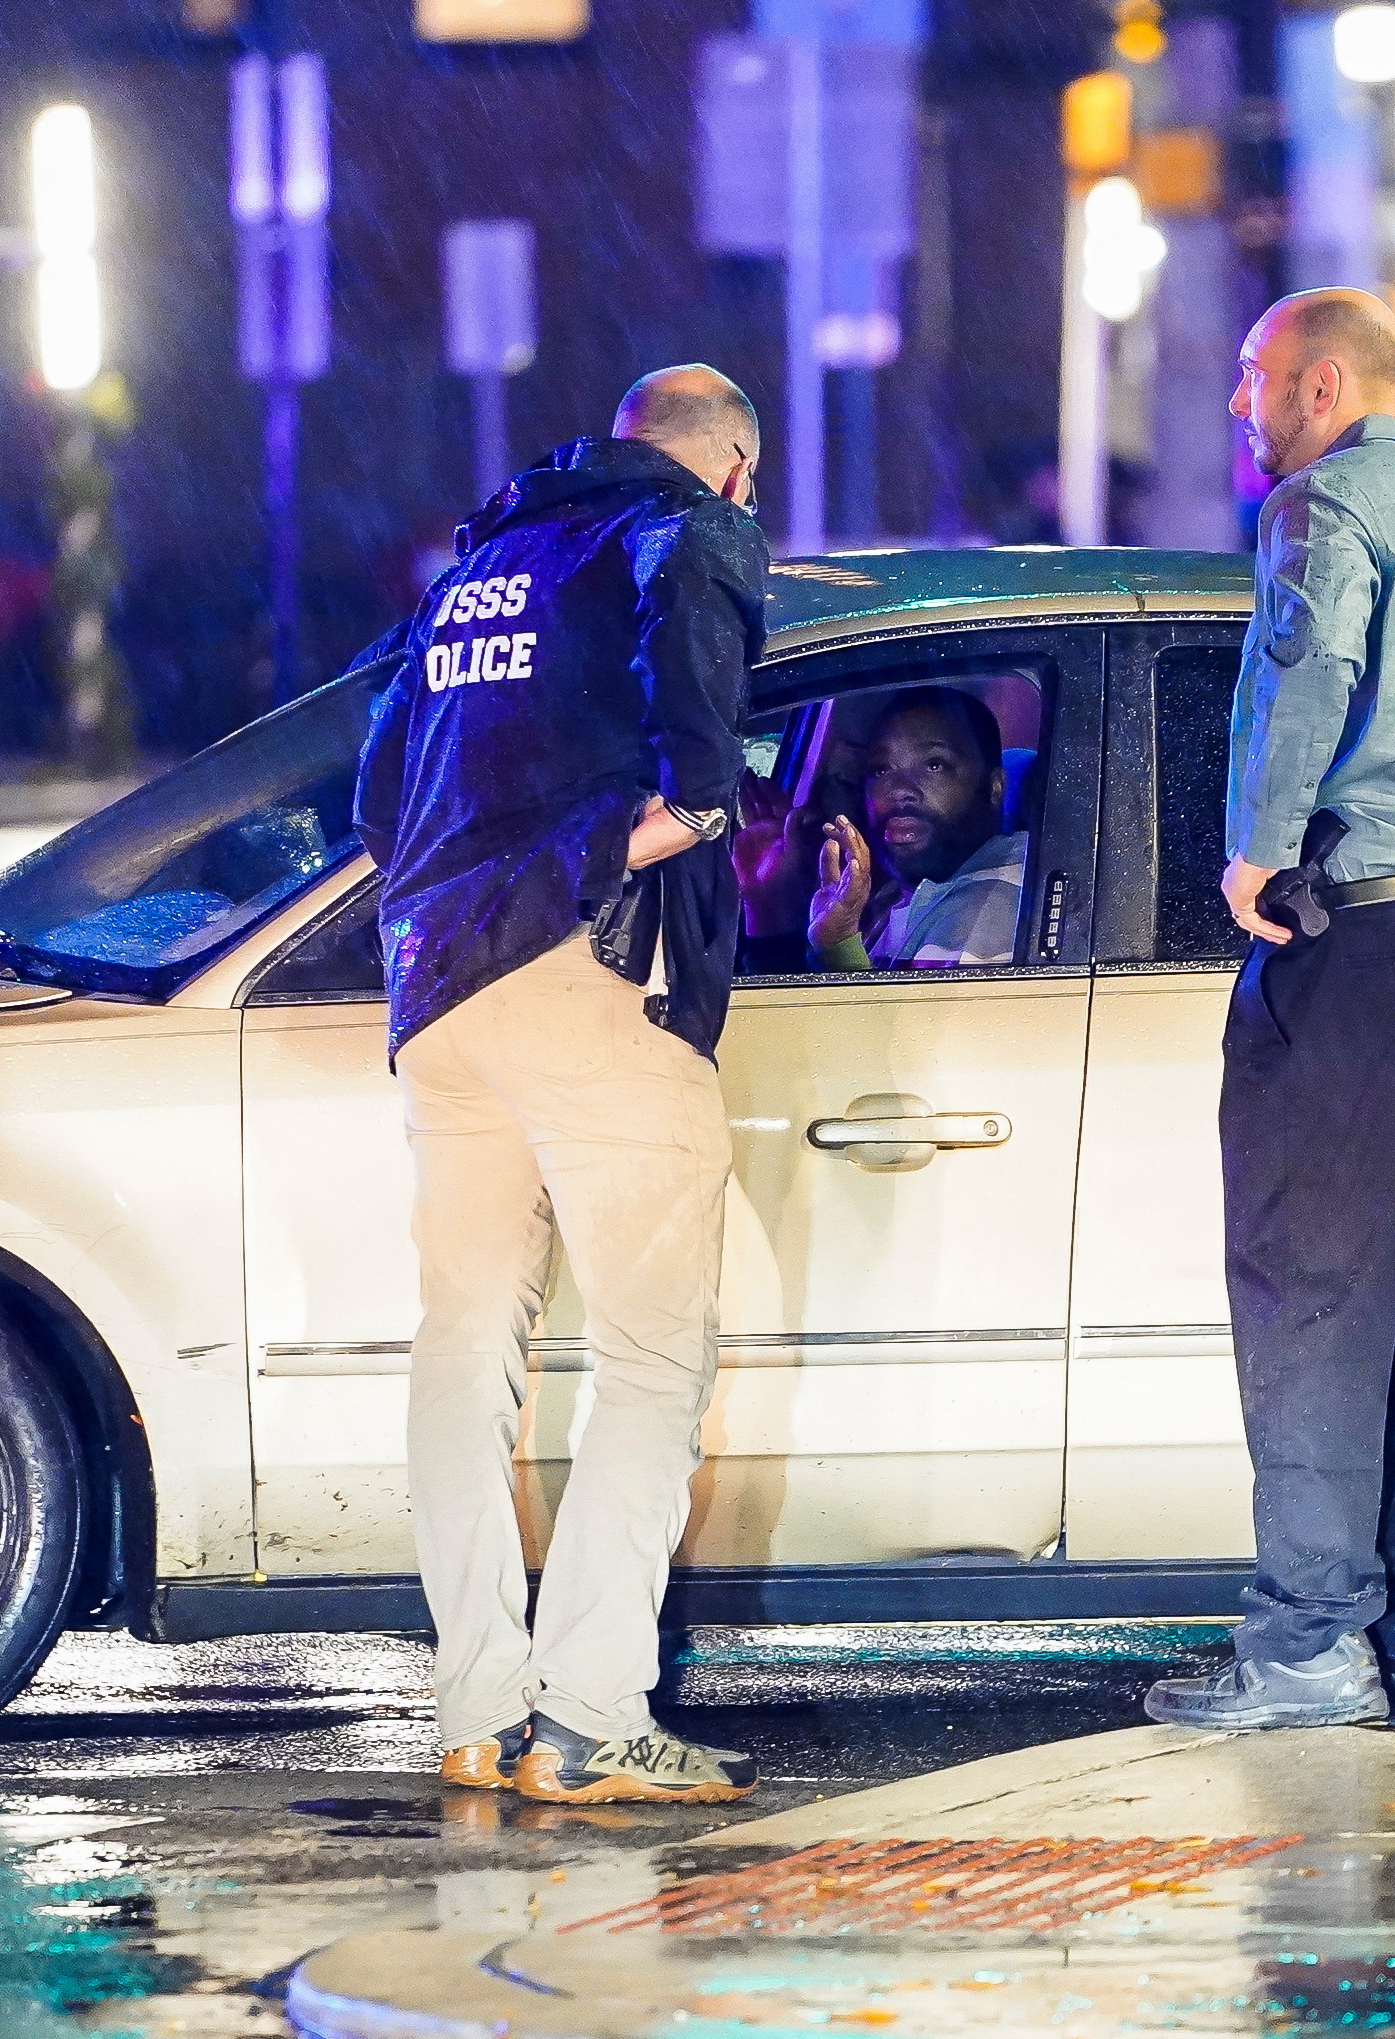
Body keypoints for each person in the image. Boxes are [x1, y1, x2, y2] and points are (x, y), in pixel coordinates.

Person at [1142, 289, 1395, 1734]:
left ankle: (1312, 1643)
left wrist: (1257, 843)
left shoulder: (1326, 506)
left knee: (1314, 1295)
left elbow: (1306, 663)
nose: (1240, 409)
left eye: (1251, 380)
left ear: (1321, 387)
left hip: (1355, 932)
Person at [352, 365, 767, 1804]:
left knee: (467, 1345)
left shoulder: (484, 561)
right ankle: (591, 1715)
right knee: (652, 1361)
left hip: (441, 989)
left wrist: (462, 899)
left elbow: (374, 791)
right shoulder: (682, 534)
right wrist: (629, 844)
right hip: (587, 970)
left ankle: (476, 1710)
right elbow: (701, 769)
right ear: (730, 468)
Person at [803, 687, 1027, 971]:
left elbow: (914, 1017)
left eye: (935, 765)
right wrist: (768, 905)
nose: (898, 790)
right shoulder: (905, 892)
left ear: (995, 787)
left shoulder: (993, 907)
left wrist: (838, 947)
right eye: (881, 769)